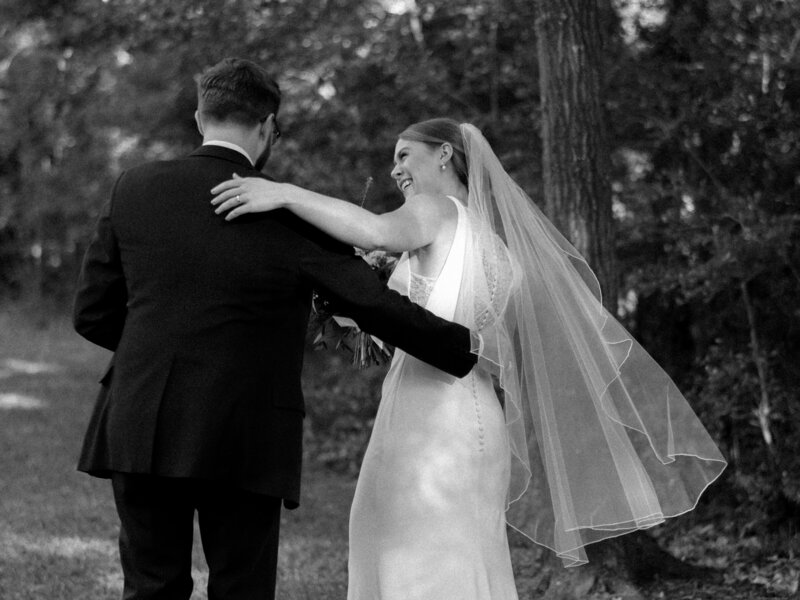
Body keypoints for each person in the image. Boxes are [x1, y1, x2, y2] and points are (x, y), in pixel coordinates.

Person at [211, 117, 728, 599]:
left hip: (428, 423)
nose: (395, 169)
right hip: (478, 420)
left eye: (404, 155)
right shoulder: (498, 247)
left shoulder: (434, 211)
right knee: (461, 560)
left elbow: (371, 231)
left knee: (404, 555)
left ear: (443, 156)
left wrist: (281, 193)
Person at [72, 60, 480, 600]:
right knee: (242, 588)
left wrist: (158, 351)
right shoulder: (289, 209)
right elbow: (373, 303)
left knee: (150, 586)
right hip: (246, 427)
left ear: (200, 118)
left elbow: (92, 313)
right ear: (266, 126)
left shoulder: (135, 187)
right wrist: (463, 347)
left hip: (141, 414)